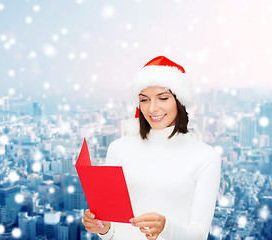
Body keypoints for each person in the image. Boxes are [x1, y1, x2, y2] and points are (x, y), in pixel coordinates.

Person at [82, 56, 221, 240]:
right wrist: (104, 228)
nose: (152, 108)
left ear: (180, 102)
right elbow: (113, 232)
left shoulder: (205, 157)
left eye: (163, 98)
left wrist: (166, 228)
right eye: (144, 100)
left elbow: (199, 235)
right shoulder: (118, 149)